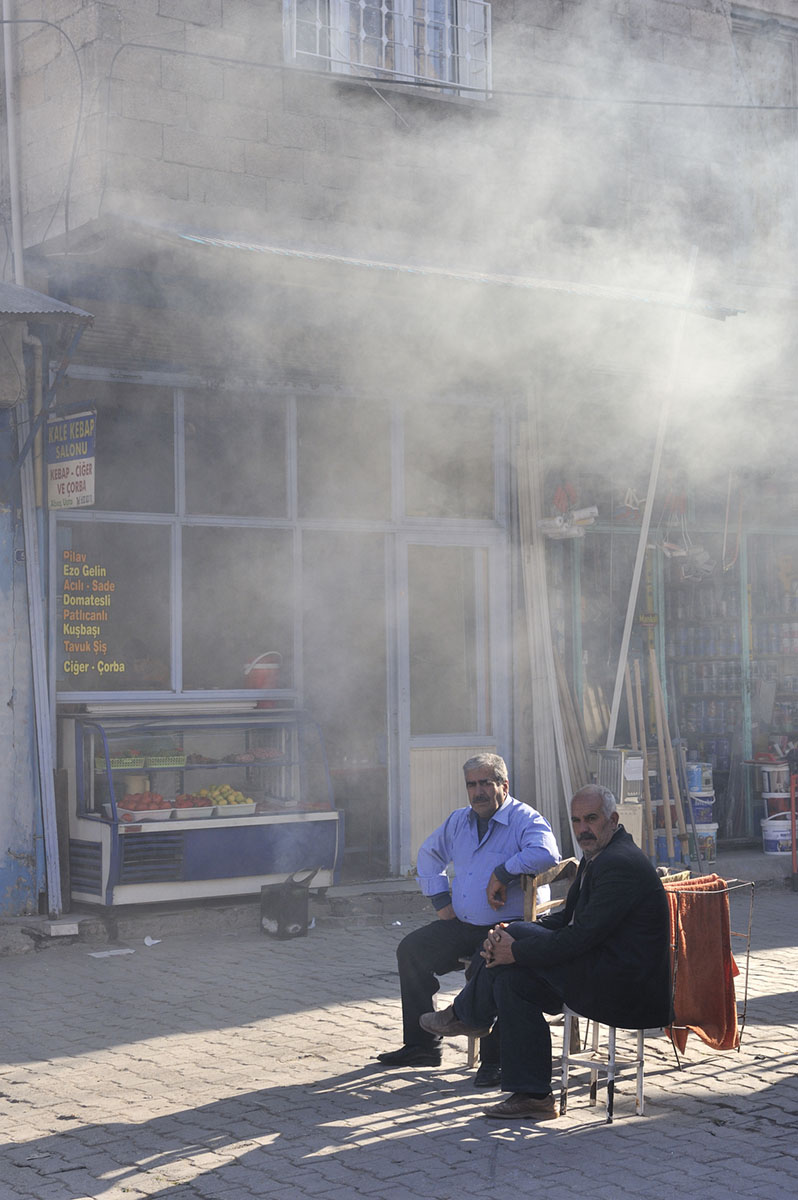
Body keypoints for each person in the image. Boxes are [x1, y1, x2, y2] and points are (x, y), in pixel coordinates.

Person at [420, 783, 672, 1119]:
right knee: (509, 974)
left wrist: (517, 951)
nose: (582, 829)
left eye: (591, 819)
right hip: (598, 967)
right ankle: (534, 1095)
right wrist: (510, 934)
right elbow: (566, 919)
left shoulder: (619, 864)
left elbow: (578, 938)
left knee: (511, 950)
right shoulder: (598, 856)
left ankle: (468, 1015)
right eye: (576, 821)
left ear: (612, 820)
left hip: (625, 986)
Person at [375, 753, 560, 1088]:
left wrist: (503, 872)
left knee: (487, 966)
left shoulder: (524, 819)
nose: (478, 792)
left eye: (485, 783)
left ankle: (495, 1062)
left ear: (504, 786)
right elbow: (429, 854)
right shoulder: (459, 820)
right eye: (471, 785)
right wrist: (440, 900)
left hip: (509, 927)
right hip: (463, 923)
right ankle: (422, 1046)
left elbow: (547, 854)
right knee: (412, 950)